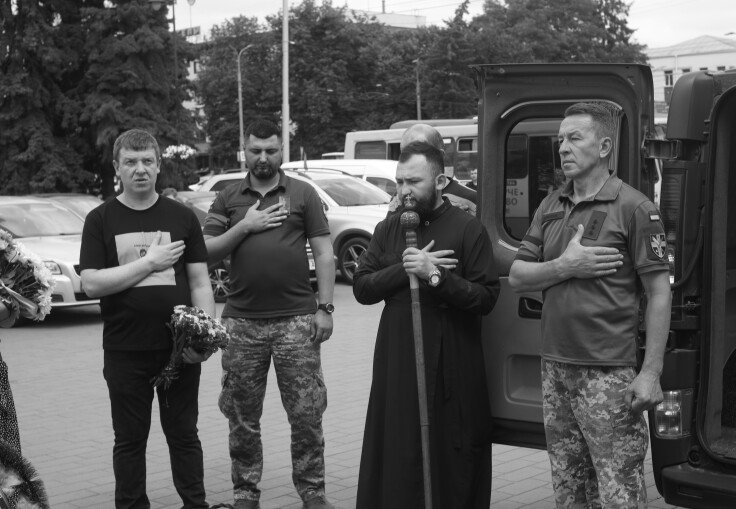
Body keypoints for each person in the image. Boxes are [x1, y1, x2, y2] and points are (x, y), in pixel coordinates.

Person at [508, 102, 672, 508]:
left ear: (603, 147)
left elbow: (659, 293)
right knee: (569, 490)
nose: (562, 148)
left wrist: (651, 372)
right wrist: (565, 266)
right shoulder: (550, 206)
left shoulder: (635, 208)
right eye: (560, 140)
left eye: (574, 138)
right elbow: (517, 277)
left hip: (609, 373)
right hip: (555, 369)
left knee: (618, 492)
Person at [353, 137, 500, 508]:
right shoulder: (388, 229)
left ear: (440, 181)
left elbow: (486, 298)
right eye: (400, 181)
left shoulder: (468, 228)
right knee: (399, 447)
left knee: (451, 452)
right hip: (398, 359)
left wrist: (435, 275)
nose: (404, 190)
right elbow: (362, 289)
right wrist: (405, 268)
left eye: (413, 181)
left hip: (453, 360)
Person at [80, 129, 216, 509]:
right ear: (116, 168)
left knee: (184, 435)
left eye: (147, 161)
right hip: (125, 350)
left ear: (158, 166)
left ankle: (195, 504)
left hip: (179, 352)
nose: (139, 169)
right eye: (130, 162)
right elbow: (91, 283)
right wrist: (149, 263)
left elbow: (200, 283)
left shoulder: (181, 216)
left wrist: (204, 339)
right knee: (129, 440)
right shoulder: (100, 219)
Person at [203, 120, 336, 509]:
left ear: (282, 151)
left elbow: (324, 253)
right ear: (244, 150)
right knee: (241, 415)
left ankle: (313, 492)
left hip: (298, 320)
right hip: (241, 323)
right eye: (256, 150)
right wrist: (245, 226)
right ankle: (245, 493)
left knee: (307, 413)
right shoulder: (228, 197)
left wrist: (325, 308)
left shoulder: (303, 193)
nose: (263, 157)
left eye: (271, 150)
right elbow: (206, 251)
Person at [387, 123, 477, 216]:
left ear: (440, 156)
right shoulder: (398, 198)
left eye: (419, 153)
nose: (410, 160)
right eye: (405, 155)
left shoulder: (470, 199)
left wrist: (458, 220)